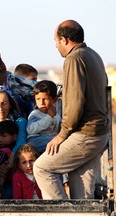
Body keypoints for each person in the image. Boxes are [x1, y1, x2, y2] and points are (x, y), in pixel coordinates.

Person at [33, 20, 109, 199]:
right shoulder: (93, 55)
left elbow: (75, 102)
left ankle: (60, 212)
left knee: (42, 168)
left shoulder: (74, 58)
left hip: (85, 134)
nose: (56, 45)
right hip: (99, 134)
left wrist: (62, 134)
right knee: (82, 198)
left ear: (65, 40)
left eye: (56, 41)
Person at [26, 80, 61, 154]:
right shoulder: (35, 114)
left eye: (45, 99)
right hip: (36, 140)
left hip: (50, 140)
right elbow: (30, 129)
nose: (41, 103)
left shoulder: (57, 115)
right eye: (38, 99)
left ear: (54, 99)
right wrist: (49, 117)